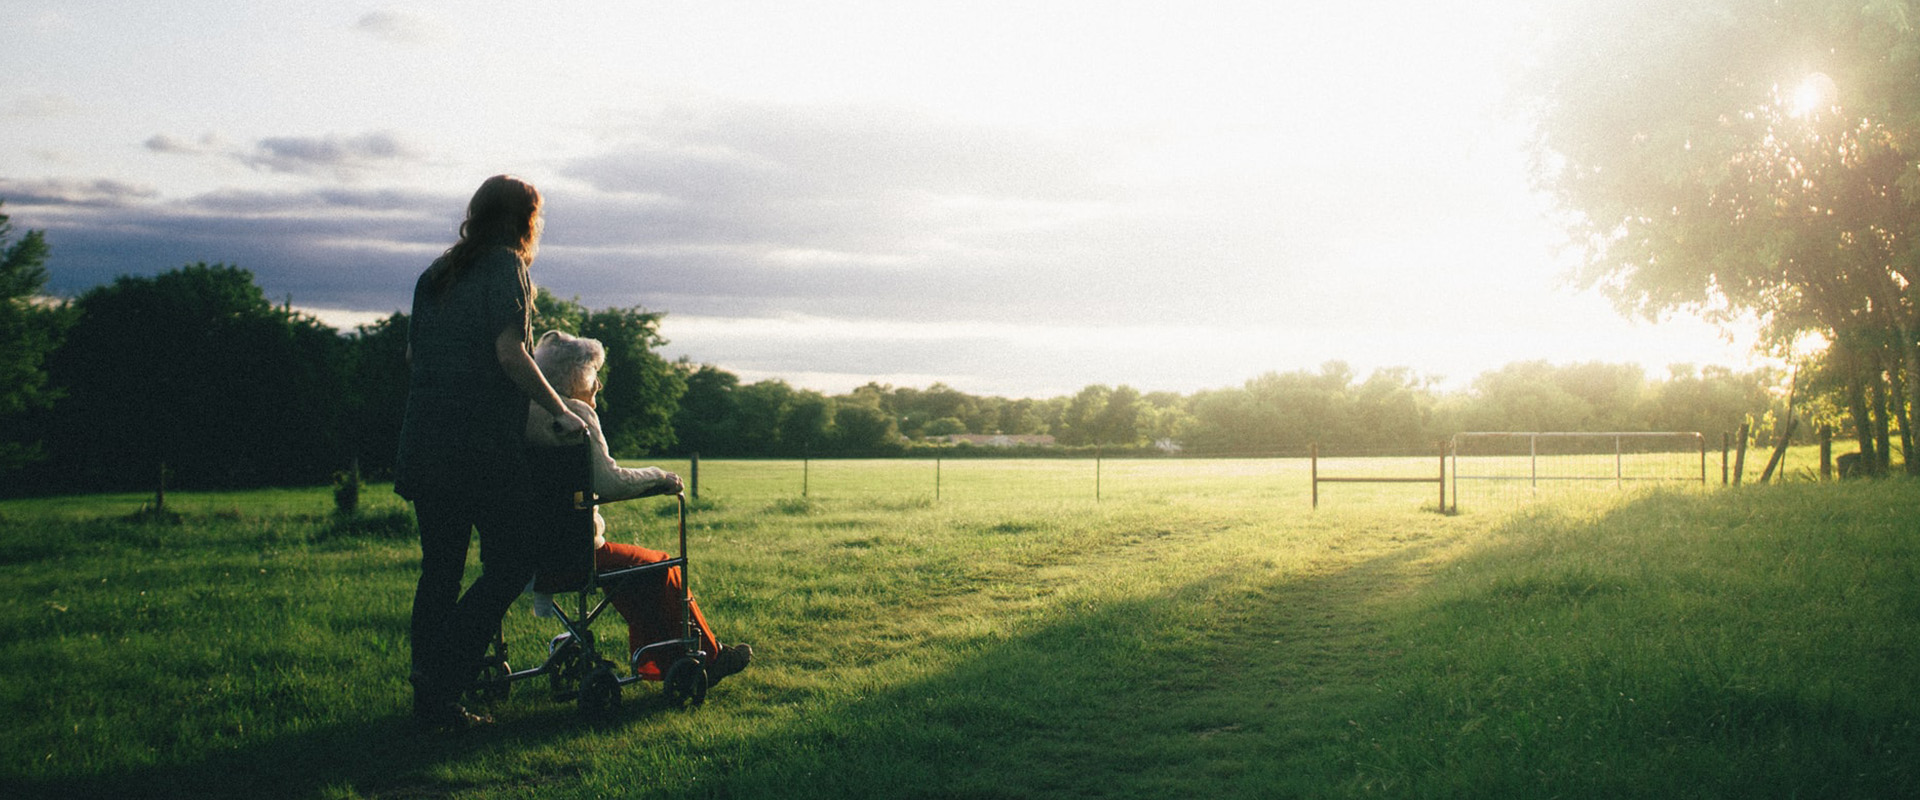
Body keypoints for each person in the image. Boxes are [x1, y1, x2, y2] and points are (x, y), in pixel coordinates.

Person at [393, 175, 588, 729]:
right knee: (513, 561)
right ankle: (442, 676)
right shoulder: (506, 267)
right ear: (526, 220)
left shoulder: (435, 274)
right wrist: (560, 409)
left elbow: (415, 354)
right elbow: (512, 353)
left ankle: (430, 701)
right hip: (476, 448)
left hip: (424, 441)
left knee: (441, 571)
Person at [523, 330, 753, 685]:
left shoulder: (525, 413)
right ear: (576, 377)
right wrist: (659, 477)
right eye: (594, 374)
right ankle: (708, 656)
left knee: (635, 571)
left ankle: (658, 663)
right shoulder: (576, 415)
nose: (598, 384)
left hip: (528, 553)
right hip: (574, 554)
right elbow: (609, 483)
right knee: (660, 565)